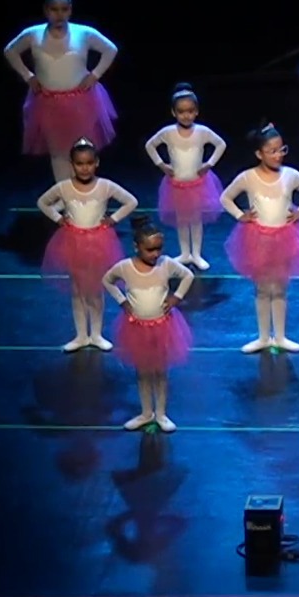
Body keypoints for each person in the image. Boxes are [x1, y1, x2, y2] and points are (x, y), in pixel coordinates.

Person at [220, 123, 299, 353]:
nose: (278, 155)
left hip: (285, 239)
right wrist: (240, 215)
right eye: (272, 151)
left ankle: (281, 336)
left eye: (281, 150)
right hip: (257, 239)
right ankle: (263, 337)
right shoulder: (248, 177)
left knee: (280, 288)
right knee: (263, 289)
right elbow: (226, 197)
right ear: (259, 154)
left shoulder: (290, 175)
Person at [5, 0, 120, 184]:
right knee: (58, 153)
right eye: (54, 9)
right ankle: (66, 199)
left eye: (64, 9)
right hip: (48, 103)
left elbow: (110, 49)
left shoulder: (83, 33)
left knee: (83, 150)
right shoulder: (33, 34)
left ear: (70, 10)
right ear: (46, 10)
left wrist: (95, 75)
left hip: (81, 102)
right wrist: (28, 76)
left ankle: (85, 194)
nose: (59, 15)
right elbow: (10, 50)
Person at [38, 138, 139, 352]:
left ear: (97, 163)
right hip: (72, 244)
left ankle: (96, 334)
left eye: (89, 163)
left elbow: (131, 201)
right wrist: (58, 218)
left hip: (98, 243)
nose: (85, 168)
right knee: (77, 290)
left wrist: (113, 219)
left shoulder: (105, 186)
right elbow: (43, 202)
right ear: (72, 164)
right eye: (79, 164)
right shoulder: (64, 188)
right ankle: (81, 335)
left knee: (95, 290)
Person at [103, 216, 196, 432]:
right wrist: (122, 301)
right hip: (136, 328)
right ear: (136, 247)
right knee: (143, 372)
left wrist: (177, 297)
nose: (155, 254)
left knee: (160, 371)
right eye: (150, 250)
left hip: (163, 327)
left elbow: (187, 275)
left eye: (159, 249)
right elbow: (107, 280)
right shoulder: (125, 267)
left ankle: (161, 414)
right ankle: (146, 413)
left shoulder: (165, 265)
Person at [145, 83, 228, 269]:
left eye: (190, 111)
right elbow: (150, 145)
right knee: (182, 220)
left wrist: (209, 164)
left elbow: (220, 144)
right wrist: (161, 165)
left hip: (198, 185)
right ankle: (184, 253)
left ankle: (196, 254)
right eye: (181, 111)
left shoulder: (202, 132)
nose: (186, 115)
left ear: (196, 111)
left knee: (196, 220)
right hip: (176, 185)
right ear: (173, 112)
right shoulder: (168, 133)